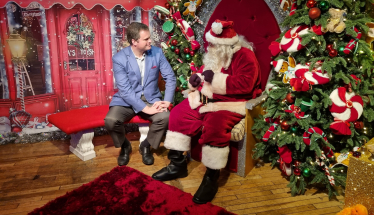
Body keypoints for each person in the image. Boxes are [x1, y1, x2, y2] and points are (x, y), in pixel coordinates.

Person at [152, 19, 262, 204]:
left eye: (214, 44)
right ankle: (177, 164)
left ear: (227, 45)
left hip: (229, 104)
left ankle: (211, 177)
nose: (210, 47)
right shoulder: (215, 55)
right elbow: (204, 75)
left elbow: (246, 84)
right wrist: (195, 80)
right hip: (205, 98)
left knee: (215, 125)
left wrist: (216, 79)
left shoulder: (245, 55)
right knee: (179, 113)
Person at [105, 22, 176, 166]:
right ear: (134, 42)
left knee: (165, 117)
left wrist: (167, 101)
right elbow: (125, 90)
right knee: (111, 121)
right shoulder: (119, 59)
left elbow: (170, 77)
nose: (150, 41)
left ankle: (146, 146)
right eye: (146, 39)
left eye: (149, 38)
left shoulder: (157, 52)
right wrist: (145, 109)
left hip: (151, 98)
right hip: (127, 100)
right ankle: (125, 146)